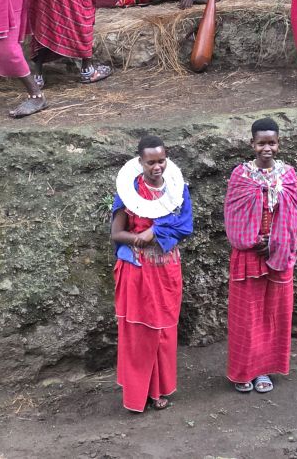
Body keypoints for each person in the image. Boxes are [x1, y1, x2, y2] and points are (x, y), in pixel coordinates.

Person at [110, 135, 193, 412]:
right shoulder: (128, 192)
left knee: (163, 332)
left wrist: (155, 230)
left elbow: (185, 227)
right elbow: (116, 234)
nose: (157, 167)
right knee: (139, 333)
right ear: (140, 162)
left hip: (167, 269)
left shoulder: (178, 190)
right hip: (137, 269)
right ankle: (138, 393)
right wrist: (139, 239)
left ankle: (157, 389)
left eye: (161, 161)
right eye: (150, 162)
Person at [224, 117, 297, 394]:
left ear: (278, 144)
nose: (266, 148)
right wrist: (254, 240)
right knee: (247, 315)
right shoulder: (240, 175)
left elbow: (294, 215)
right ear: (252, 144)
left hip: (279, 253)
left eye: (271, 143)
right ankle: (244, 371)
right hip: (248, 254)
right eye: (261, 143)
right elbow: (232, 216)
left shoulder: (288, 175)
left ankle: (264, 371)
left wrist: (274, 241)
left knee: (273, 314)